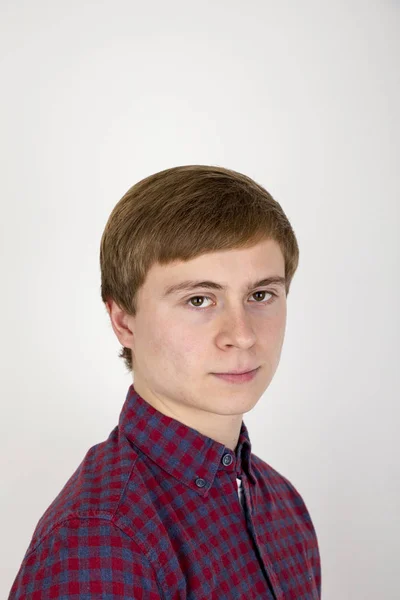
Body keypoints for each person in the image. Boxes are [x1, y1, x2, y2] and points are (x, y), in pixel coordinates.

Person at [8, 165, 321, 599]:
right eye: (199, 299)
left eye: (260, 295)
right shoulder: (102, 540)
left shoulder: (281, 505)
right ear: (124, 321)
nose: (242, 334)